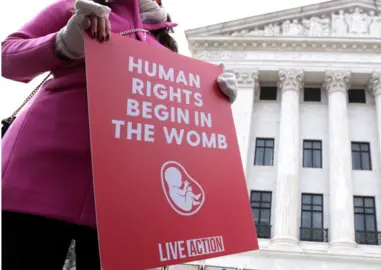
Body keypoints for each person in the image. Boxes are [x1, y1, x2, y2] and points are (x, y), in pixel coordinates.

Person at [1, 0, 238, 269]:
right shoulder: (80, 7)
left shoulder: (165, 46)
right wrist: (64, 42)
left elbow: (171, 131)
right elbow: (7, 57)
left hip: (120, 203)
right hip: (40, 178)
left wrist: (209, 100)